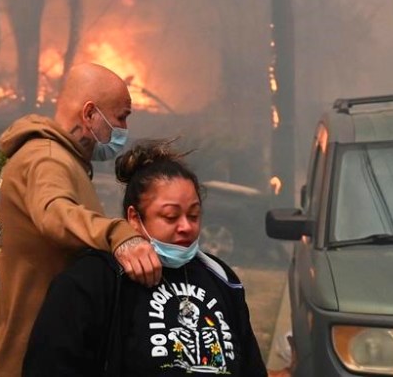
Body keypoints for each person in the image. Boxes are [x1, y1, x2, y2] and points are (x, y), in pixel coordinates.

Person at [23, 139, 268, 376]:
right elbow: (49, 365)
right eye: (170, 216)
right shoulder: (94, 279)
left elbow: (251, 365)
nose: (186, 227)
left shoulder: (221, 278)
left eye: (194, 215)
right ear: (134, 218)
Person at [0, 62, 162, 377]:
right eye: (121, 116)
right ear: (89, 114)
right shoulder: (48, 158)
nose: (124, 128)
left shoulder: (53, 157)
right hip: (37, 360)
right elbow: (54, 213)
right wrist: (119, 235)